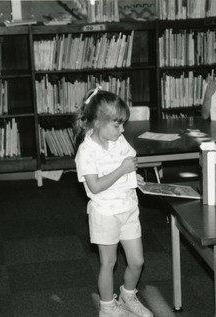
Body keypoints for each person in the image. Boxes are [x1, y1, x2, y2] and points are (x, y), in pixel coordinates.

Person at [74, 85, 153, 317]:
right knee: (108, 263)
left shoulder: (118, 140)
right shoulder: (86, 152)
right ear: (98, 123)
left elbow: (128, 160)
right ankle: (108, 308)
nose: (122, 129)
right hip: (105, 213)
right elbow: (95, 186)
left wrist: (133, 176)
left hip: (128, 208)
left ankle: (128, 295)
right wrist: (122, 170)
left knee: (137, 261)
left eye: (123, 124)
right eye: (117, 124)